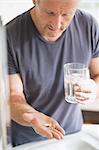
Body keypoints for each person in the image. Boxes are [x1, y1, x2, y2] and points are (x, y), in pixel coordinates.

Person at [6, 0, 99, 147]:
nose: (56, 24)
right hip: (28, 140)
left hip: (73, 134)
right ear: (35, 1)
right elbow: (13, 96)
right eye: (50, 13)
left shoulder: (89, 25)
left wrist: (94, 88)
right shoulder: (9, 36)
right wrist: (33, 117)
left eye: (66, 15)